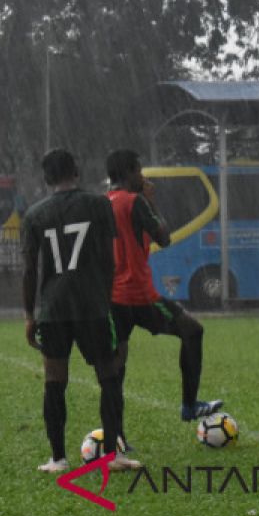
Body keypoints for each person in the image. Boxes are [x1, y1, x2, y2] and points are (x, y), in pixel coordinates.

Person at [22, 149, 139, 473]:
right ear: (76, 171)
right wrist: (104, 298)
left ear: (46, 178)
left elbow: (30, 270)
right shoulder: (98, 205)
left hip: (54, 308)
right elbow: (107, 259)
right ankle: (114, 455)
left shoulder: (34, 215)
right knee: (109, 376)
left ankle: (58, 458)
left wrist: (30, 315)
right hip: (92, 306)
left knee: (55, 380)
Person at [105, 149, 222, 432]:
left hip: (112, 298)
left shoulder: (102, 203)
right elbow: (164, 238)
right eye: (139, 170)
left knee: (115, 367)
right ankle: (189, 405)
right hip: (140, 296)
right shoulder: (135, 202)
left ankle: (115, 437)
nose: (142, 176)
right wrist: (151, 201)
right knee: (193, 331)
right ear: (129, 172)